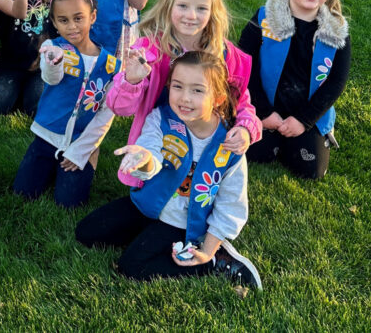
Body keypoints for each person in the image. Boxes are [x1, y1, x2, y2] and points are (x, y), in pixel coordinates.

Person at [75, 51, 262, 289]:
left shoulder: (230, 144)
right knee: (87, 232)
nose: (184, 98)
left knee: (131, 267)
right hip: (148, 206)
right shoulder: (161, 118)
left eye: (197, 90)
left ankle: (213, 263)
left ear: (217, 98)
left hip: (181, 222)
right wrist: (144, 160)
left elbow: (231, 206)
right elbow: (150, 151)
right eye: (177, 86)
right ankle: (150, 239)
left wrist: (207, 250)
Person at [105, 0, 261, 190]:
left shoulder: (225, 56)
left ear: (213, 12)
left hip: (205, 144)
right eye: (183, 6)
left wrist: (246, 128)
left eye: (201, 8)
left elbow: (241, 102)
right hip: (158, 139)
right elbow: (121, 108)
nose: (191, 15)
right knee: (152, 196)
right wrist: (131, 80)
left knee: (192, 197)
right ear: (169, 5)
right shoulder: (149, 51)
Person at [238, 0, 350, 180]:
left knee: (310, 170)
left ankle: (302, 134)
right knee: (256, 154)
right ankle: (271, 131)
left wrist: (304, 120)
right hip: (266, 106)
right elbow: (244, 65)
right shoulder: (264, 17)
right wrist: (264, 112)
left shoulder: (336, 28)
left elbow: (336, 81)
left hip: (306, 111)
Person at [12, 0, 118, 208]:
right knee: (22, 193)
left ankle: (89, 158)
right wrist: (54, 61)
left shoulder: (111, 65)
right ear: (54, 22)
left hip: (82, 142)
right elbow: (51, 79)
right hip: (47, 136)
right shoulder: (52, 47)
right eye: (63, 20)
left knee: (68, 203)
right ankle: (48, 166)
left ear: (93, 17)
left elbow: (106, 114)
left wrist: (81, 151)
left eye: (79, 18)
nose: (72, 27)